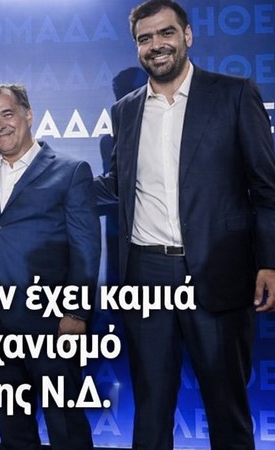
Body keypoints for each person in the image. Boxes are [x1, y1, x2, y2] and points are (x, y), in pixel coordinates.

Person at [94, 1, 275, 448]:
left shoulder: (234, 94)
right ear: (136, 47)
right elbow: (118, 184)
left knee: (227, 409)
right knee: (151, 410)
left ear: (187, 36)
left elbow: (266, 188)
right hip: (146, 276)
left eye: (166, 33)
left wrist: (269, 262)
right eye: (145, 38)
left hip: (217, 270)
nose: (156, 45)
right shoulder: (125, 111)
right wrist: (49, 177)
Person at [0, 83, 100, 450]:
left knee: (66, 427)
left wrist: (76, 313)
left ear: (28, 115)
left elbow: (86, 248)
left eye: (7, 114)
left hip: (53, 325)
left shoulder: (71, 170)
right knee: (13, 429)